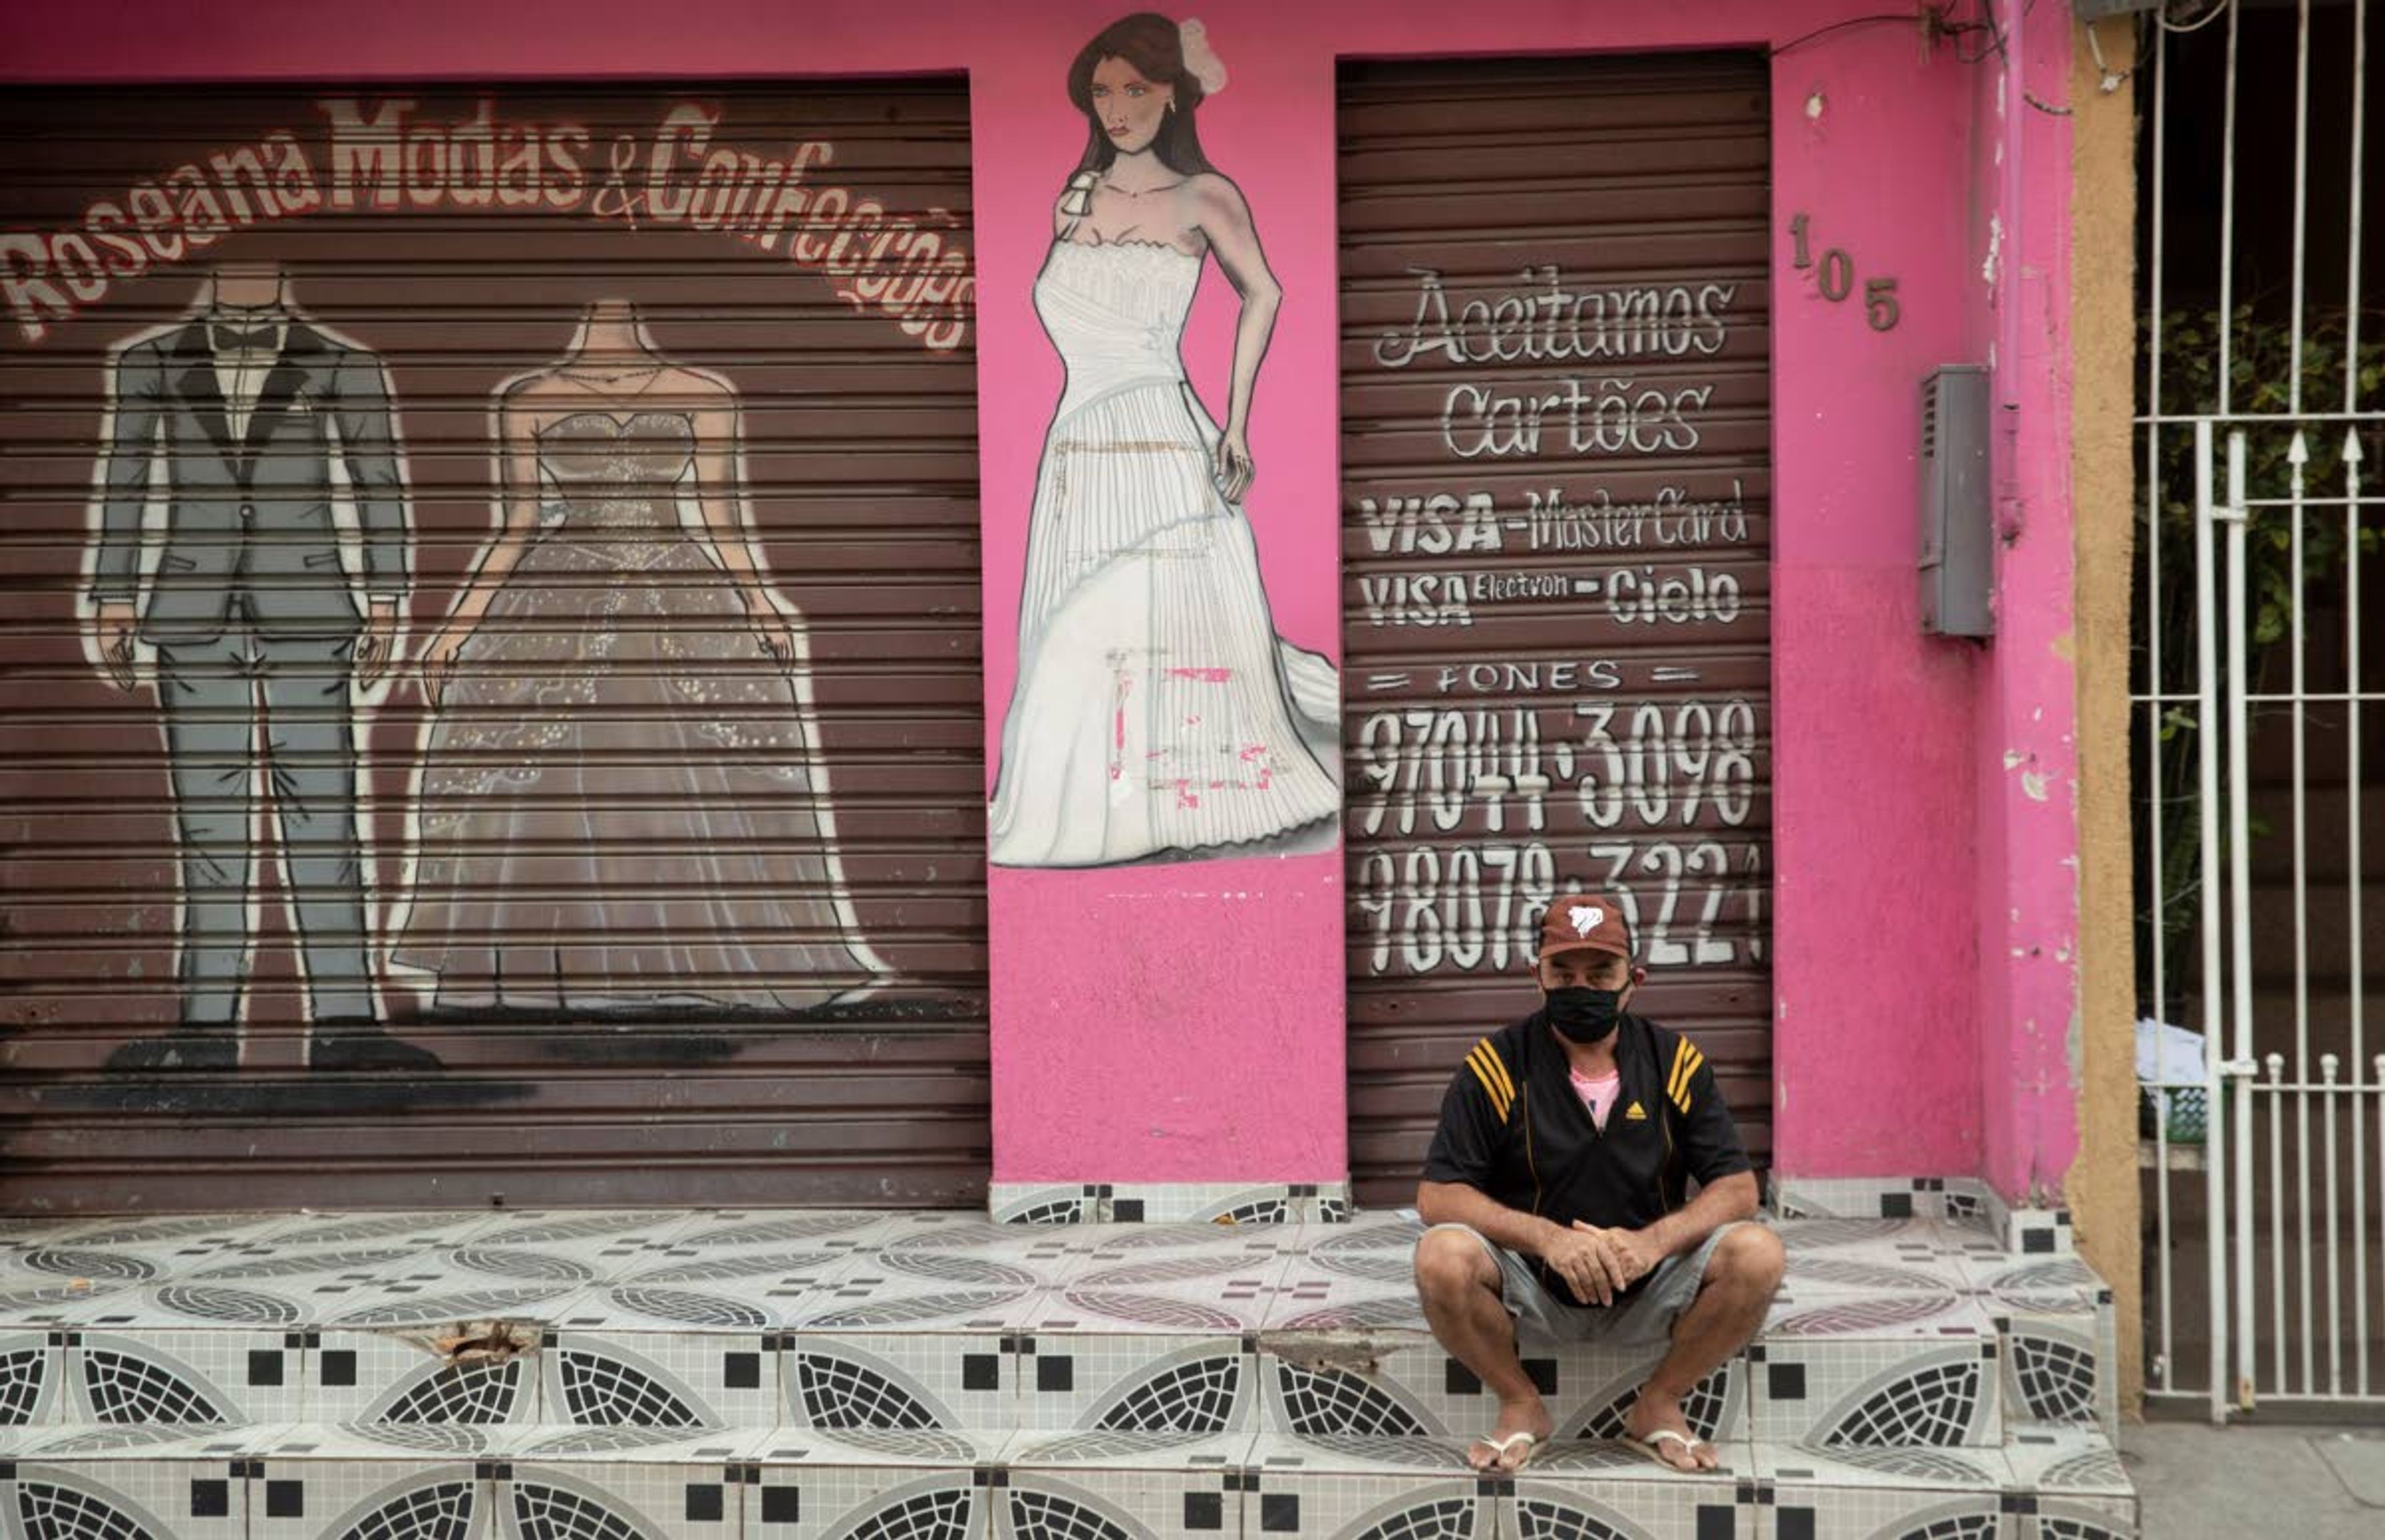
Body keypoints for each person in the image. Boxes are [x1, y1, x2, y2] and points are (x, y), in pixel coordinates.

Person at [391, 298, 888, 1013]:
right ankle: (557, 970)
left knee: (692, 776)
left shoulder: (702, 393)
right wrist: (457, 626)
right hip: (560, 588)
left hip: (678, 591)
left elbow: (720, 514)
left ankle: (705, 962)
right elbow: (519, 523)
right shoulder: (532, 398)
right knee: (554, 785)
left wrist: (759, 599)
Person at [985, 11, 1340, 867]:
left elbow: (1266, 292)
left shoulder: (1205, 195)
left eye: (1134, 89)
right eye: (1103, 92)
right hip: (1077, 441)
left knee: (1163, 619)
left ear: (1173, 94)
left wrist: (1240, 422)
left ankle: (1190, 786)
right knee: (1075, 630)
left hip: (1162, 431)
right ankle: (1078, 796)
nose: (1117, 107)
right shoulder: (1072, 197)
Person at [87, 263, 436, 1073]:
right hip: (189, 610)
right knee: (210, 833)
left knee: (325, 821)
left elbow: (377, 481)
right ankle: (206, 1032)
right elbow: (127, 478)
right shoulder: (151, 361)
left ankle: (346, 1025)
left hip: (311, 607)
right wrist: (112, 596)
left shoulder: (345, 363)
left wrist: (386, 599)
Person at [1412, 895, 1784, 1473]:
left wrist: (1650, 1246)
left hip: (1653, 1280)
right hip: (1531, 1284)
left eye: (1600, 973)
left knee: (1758, 1254)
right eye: (1563, 972)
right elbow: (1438, 1196)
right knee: (1441, 1257)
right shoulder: (1495, 1064)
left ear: (1632, 981)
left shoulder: (1676, 1062)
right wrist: (1551, 1240)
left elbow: (1737, 1189)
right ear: (1536, 976)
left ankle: (1659, 1403)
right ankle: (1520, 1402)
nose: (1580, 986)